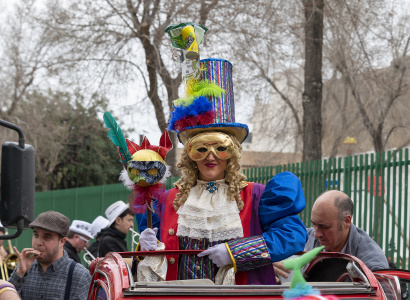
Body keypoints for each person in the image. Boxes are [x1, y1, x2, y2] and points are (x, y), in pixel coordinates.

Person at [138, 58, 308, 285]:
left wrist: (237, 252)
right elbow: (153, 261)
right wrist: (146, 247)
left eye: (221, 148)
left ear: (234, 153)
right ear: (189, 155)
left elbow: (293, 236)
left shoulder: (258, 196)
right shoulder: (169, 200)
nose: (211, 156)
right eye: (201, 149)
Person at [273, 190, 389, 282]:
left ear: (346, 221)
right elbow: (268, 249)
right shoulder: (304, 238)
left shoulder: (371, 264)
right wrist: (269, 268)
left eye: (324, 227)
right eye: (314, 224)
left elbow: (382, 293)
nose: (316, 234)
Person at [8, 211, 91, 299]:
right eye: (36, 235)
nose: (38, 243)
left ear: (62, 241)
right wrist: (19, 273)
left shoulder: (80, 275)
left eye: (47, 237)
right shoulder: (24, 269)